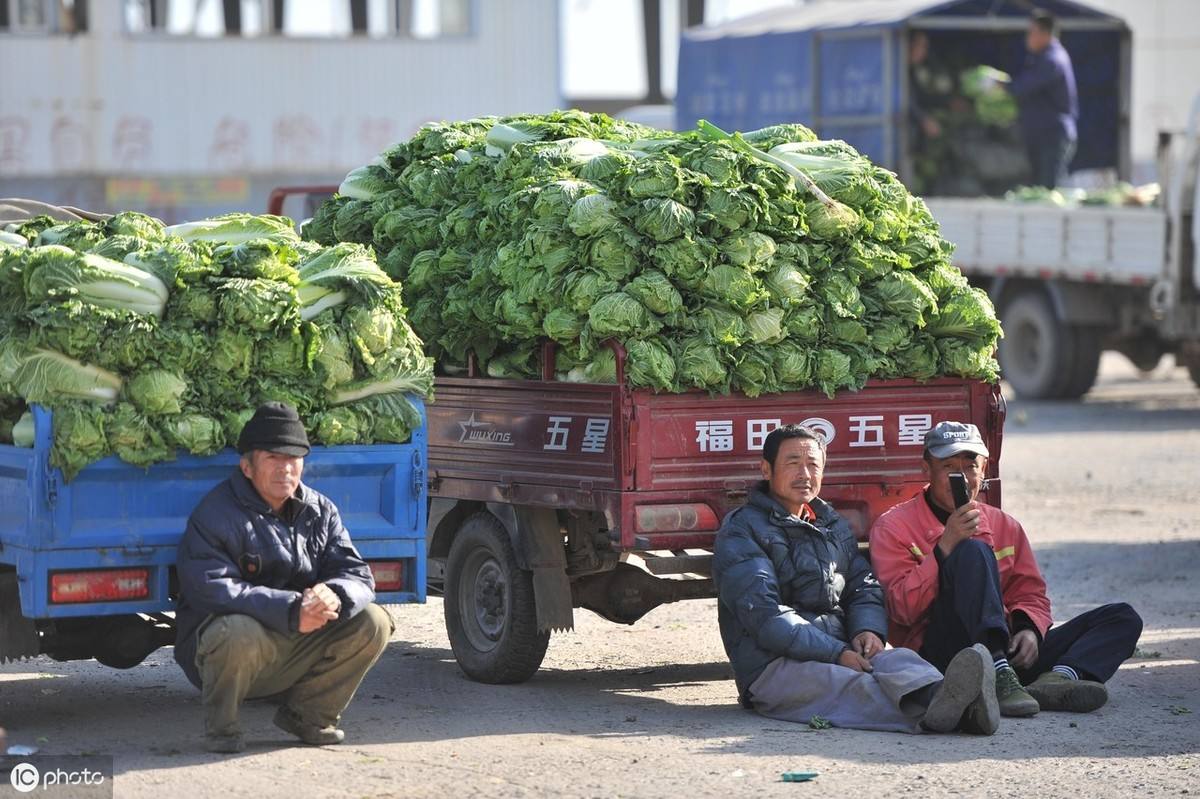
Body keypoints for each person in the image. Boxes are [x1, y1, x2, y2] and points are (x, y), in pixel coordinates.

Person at [712, 424, 1000, 735]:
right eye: (793, 463)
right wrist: (836, 653)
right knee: (851, 685)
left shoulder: (830, 524)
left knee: (900, 661)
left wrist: (868, 631)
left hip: (839, 649)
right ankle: (953, 713)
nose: (804, 474)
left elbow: (863, 586)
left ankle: (949, 697)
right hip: (772, 665)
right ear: (766, 470)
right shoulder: (741, 530)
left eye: (813, 465)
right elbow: (766, 617)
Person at [869, 421, 1142, 719]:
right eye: (948, 466)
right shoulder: (893, 526)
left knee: (1122, 618)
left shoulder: (1004, 524)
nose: (960, 476)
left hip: (1009, 649)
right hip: (945, 653)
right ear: (926, 469)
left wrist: (1029, 630)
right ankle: (997, 671)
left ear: (984, 470)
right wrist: (945, 546)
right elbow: (902, 610)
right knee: (972, 551)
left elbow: (1031, 593)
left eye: (970, 466)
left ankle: (1057, 680)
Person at [174, 401, 395, 753]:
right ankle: (223, 729)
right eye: (273, 459)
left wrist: (334, 594)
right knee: (237, 631)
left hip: (297, 639)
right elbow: (211, 589)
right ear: (247, 467)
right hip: (232, 648)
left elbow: (356, 573)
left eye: (293, 459)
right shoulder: (216, 513)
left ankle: (308, 716)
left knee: (373, 621)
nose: (285, 469)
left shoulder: (320, 510)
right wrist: (293, 610)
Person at [1009, 9, 1079, 188]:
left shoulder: (1052, 59)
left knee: (1049, 190)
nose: (1028, 37)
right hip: (1042, 134)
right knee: (1038, 189)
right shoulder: (1041, 58)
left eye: (1031, 32)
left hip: (1052, 135)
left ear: (1045, 34)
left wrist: (1000, 86)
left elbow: (1022, 87)